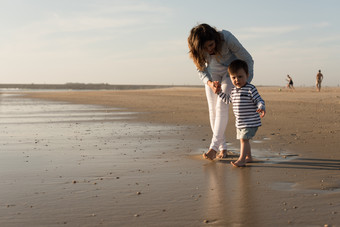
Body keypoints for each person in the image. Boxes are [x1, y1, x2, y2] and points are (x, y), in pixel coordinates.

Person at [187, 23, 254, 160]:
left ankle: (213, 147)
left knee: (221, 105)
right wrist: (210, 83)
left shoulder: (227, 38)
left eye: (211, 45)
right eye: (205, 48)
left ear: (215, 39)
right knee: (213, 109)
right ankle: (222, 148)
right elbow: (201, 70)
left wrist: (245, 84)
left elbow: (247, 59)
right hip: (212, 75)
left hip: (230, 72)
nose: (209, 50)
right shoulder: (195, 49)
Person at [218, 60, 265, 167]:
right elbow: (227, 100)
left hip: (250, 121)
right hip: (240, 122)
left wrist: (261, 107)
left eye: (240, 76)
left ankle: (242, 159)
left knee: (244, 139)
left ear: (247, 75)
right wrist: (219, 92)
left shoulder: (250, 88)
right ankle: (249, 157)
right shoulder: (233, 90)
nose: (237, 80)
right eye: (233, 77)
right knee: (243, 140)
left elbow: (259, 100)